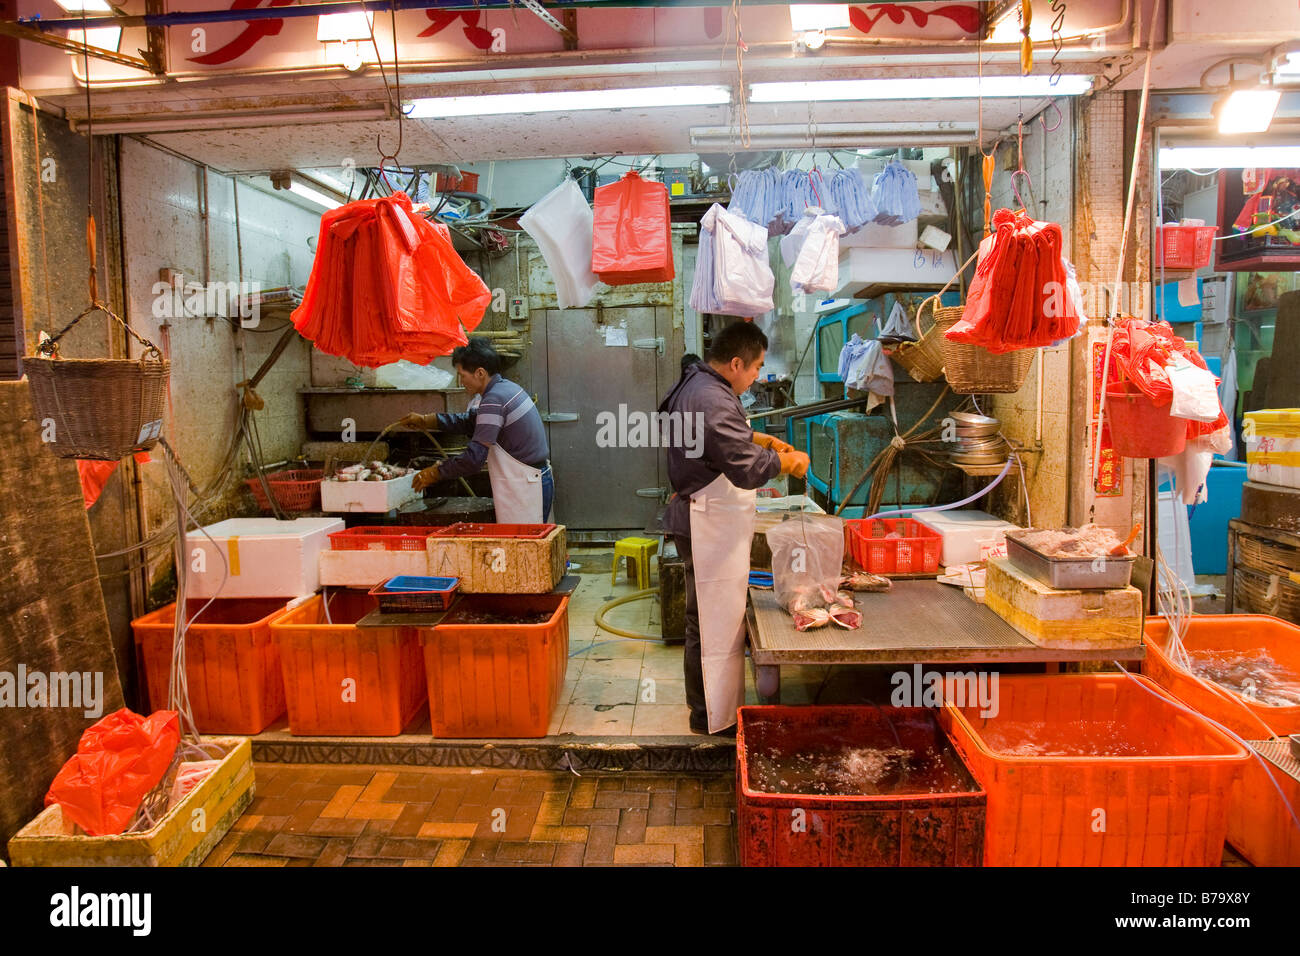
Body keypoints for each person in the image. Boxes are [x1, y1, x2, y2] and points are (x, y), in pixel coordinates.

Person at [658, 322, 809, 735]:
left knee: (702, 618)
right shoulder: (712, 397)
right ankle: (714, 718)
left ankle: (704, 710)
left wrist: (755, 437)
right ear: (736, 363)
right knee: (715, 622)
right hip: (708, 522)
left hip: (699, 514)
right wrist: (786, 462)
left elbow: (704, 440)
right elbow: (745, 470)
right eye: (757, 367)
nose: (758, 375)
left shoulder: (697, 384)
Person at [401, 336, 554, 523]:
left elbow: (474, 459)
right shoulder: (505, 388)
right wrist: (429, 421)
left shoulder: (494, 399)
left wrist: (436, 472)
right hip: (530, 480)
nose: (460, 381)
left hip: (525, 485)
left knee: (525, 547)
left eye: (462, 375)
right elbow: (473, 422)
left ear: (480, 373)